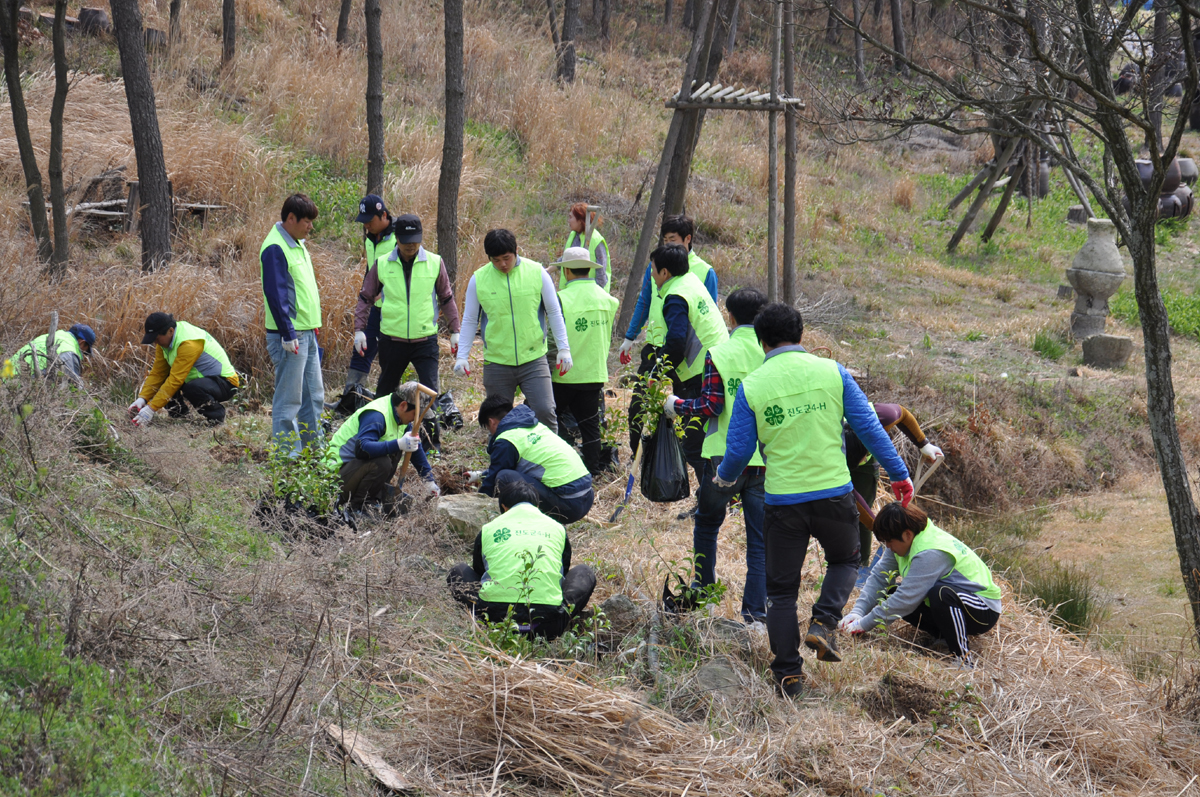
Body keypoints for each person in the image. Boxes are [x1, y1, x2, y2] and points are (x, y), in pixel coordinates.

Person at [715, 303, 912, 698]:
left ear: (760, 340)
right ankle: (823, 623)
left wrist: (723, 478)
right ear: (802, 334)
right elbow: (871, 429)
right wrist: (901, 474)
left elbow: (738, 452)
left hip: (783, 502)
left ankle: (788, 674)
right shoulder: (832, 372)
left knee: (782, 593)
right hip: (834, 495)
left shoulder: (753, 385)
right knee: (844, 560)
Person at [663, 288, 767, 624]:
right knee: (759, 540)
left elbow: (711, 405)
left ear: (730, 317)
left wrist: (677, 406)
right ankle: (755, 613)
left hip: (722, 457)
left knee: (707, 524)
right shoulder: (772, 355)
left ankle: (703, 593)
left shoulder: (719, 352)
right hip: (765, 459)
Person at [839, 502, 1001, 663]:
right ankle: (944, 637)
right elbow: (880, 577)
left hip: (983, 608)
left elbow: (906, 599)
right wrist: (857, 612)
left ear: (908, 535)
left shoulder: (931, 552)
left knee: (940, 594)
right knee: (892, 592)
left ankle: (963, 658)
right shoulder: (901, 539)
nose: (888, 547)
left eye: (890, 541)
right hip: (957, 602)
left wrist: (864, 624)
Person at [353, 213, 461, 436]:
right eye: (405, 241)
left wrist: (455, 330)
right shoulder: (383, 264)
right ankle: (379, 435)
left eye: (415, 241)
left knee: (431, 393)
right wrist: (359, 330)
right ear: (397, 239)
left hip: (425, 341)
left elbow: (446, 297)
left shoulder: (434, 262)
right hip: (392, 341)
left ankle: (433, 443)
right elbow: (366, 297)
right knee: (384, 392)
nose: (411, 246)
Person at [618, 214, 718, 457]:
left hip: (688, 356)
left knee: (688, 413)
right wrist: (630, 337)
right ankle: (638, 455)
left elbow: (703, 318)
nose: (668, 245)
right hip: (657, 346)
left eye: (673, 240)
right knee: (639, 404)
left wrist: (659, 370)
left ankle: (688, 459)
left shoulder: (700, 273)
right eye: (665, 240)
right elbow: (644, 301)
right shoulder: (660, 266)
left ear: (688, 239)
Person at [447, 479, 596, 640]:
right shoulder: (557, 527)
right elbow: (562, 572)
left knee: (458, 571)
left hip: (494, 619)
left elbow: (480, 572)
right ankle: (554, 625)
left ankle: (489, 627)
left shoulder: (489, 529)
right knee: (584, 572)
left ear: (503, 506)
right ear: (537, 506)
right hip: (549, 623)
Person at [456, 229, 571, 432]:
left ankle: (549, 461)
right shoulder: (479, 279)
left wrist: (564, 348)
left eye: (507, 258)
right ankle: (502, 462)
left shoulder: (537, 273)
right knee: (499, 421)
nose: (502, 264)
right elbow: (469, 319)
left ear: (516, 250)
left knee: (545, 411)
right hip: (497, 362)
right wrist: (462, 356)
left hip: (534, 358)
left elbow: (553, 312)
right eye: (496, 260)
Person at [649, 243, 728, 484]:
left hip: (700, 374)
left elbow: (675, 342)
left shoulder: (675, 296)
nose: (651, 275)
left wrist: (657, 371)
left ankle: (712, 497)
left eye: (653, 269)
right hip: (720, 364)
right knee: (708, 438)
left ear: (665, 273)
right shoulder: (692, 282)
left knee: (694, 445)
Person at [848, 403, 944, 586]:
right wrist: (880, 528)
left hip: (863, 450)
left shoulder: (878, 416)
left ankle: (863, 565)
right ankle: (854, 566)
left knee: (866, 500)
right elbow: (850, 496)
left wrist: (923, 443)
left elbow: (902, 413)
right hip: (835, 463)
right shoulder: (831, 454)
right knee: (852, 512)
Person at [261, 193, 324, 456]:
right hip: (290, 337)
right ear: (290, 218)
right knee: (289, 402)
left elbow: (300, 289)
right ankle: (288, 461)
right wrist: (288, 334)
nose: (311, 226)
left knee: (314, 396)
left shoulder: (297, 243)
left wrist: (312, 327)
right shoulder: (276, 247)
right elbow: (275, 294)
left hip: (306, 333)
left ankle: (314, 453)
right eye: (307, 221)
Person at [473, 395, 595, 524]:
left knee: (504, 477)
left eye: (488, 427)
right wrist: (480, 476)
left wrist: (478, 504)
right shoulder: (534, 426)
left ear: (491, 422)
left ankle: (518, 525)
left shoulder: (506, 439)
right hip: (586, 496)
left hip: (568, 505)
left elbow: (496, 477)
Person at [552, 246, 619, 477]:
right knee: (590, 426)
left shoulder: (560, 299)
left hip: (564, 375)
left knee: (546, 417)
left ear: (567, 271)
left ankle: (558, 462)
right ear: (588, 270)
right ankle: (592, 471)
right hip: (594, 374)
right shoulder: (608, 299)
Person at [323, 381, 438, 511]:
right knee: (383, 461)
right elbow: (362, 448)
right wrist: (398, 444)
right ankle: (356, 507)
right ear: (403, 405)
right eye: (416, 414)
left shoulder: (400, 417)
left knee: (396, 448)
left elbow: (414, 447)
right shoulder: (377, 415)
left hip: (353, 473)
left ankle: (373, 498)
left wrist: (428, 480)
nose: (417, 420)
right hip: (333, 482)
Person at [128, 313, 239, 427]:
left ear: (170, 331)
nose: (155, 343)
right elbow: (158, 373)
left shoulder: (189, 343)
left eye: (156, 338)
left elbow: (176, 379)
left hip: (225, 383)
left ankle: (215, 419)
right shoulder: (164, 342)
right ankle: (179, 416)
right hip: (202, 380)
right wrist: (143, 398)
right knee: (166, 379)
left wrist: (151, 409)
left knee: (191, 388)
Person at [342, 194, 396, 394]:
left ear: (383, 215)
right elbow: (370, 272)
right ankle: (350, 399)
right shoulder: (370, 239)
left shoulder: (401, 237)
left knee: (392, 359)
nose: (366, 226)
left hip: (394, 311)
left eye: (369, 221)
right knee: (361, 350)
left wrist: (386, 293)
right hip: (374, 308)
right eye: (363, 222)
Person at [10, 324, 96, 382]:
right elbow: (74, 387)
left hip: (4, 379)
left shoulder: (46, 337)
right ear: (81, 342)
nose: (84, 353)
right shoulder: (69, 352)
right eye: (85, 349)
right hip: (20, 388)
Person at [558, 202, 610, 292]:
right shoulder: (574, 235)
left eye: (571, 217)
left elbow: (601, 274)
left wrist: (594, 293)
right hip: (572, 291)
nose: (568, 221)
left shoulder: (595, 239)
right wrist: (549, 269)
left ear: (580, 220)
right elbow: (568, 258)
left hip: (591, 294)